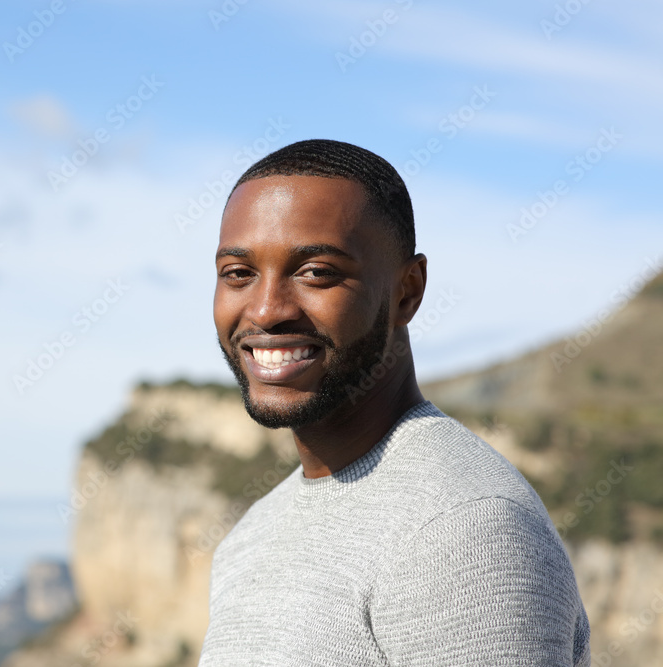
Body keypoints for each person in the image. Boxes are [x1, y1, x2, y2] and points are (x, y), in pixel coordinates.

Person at [200, 139, 590, 666]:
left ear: (407, 291)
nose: (267, 310)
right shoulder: (251, 537)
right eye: (238, 274)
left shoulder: (465, 530)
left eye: (316, 271)